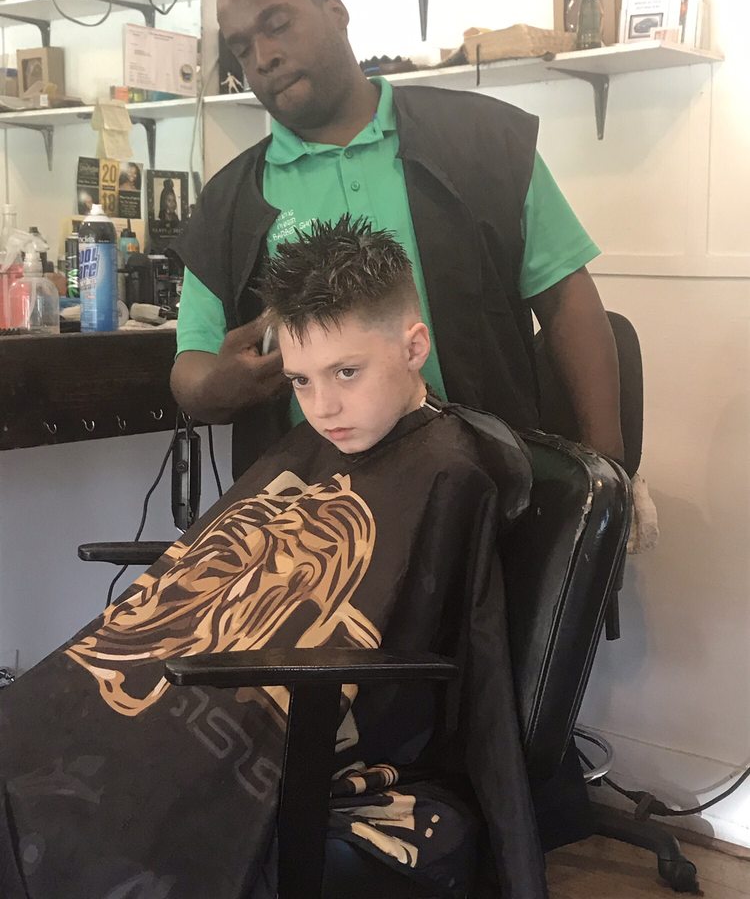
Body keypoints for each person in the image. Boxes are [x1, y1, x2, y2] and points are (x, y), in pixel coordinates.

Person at [0, 218, 545, 898]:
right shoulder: (319, 445)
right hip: (174, 685)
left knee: (72, 813)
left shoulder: (448, 475)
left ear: (414, 347)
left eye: (346, 372)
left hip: (253, 723)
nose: (324, 407)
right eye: (301, 381)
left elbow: (415, 653)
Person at [172, 0, 624, 483]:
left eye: (278, 25)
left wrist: (611, 476)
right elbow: (190, 365)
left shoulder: (484, 143)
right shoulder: (229, 202)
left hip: (491, 490)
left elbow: (567, 302)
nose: (263, 57)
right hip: (317, 509)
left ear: (336, 12)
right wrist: (219, 386)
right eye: (242, 48)